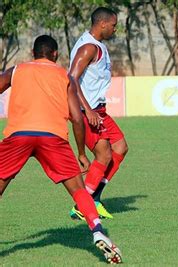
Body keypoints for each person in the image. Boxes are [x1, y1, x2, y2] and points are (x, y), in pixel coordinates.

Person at [0, 35, 122, 263]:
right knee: (78, 190)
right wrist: (82, 153)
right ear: (55, 54)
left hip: (19, 135)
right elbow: (77, 118)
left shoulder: (17, 70)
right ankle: (97, 230)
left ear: (32, 52)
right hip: (53, 137)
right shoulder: (64, 76)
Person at [69, 7, 128, 219]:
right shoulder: (88, 48)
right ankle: (82, 204)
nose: (115, 29)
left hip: (99, 110)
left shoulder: (97, 46)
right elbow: (72, 79)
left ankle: (94, 197)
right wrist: (87, 108)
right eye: (113, 25)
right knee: (104, 154)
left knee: (120, 147)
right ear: (102, 24)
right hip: (88, 111)